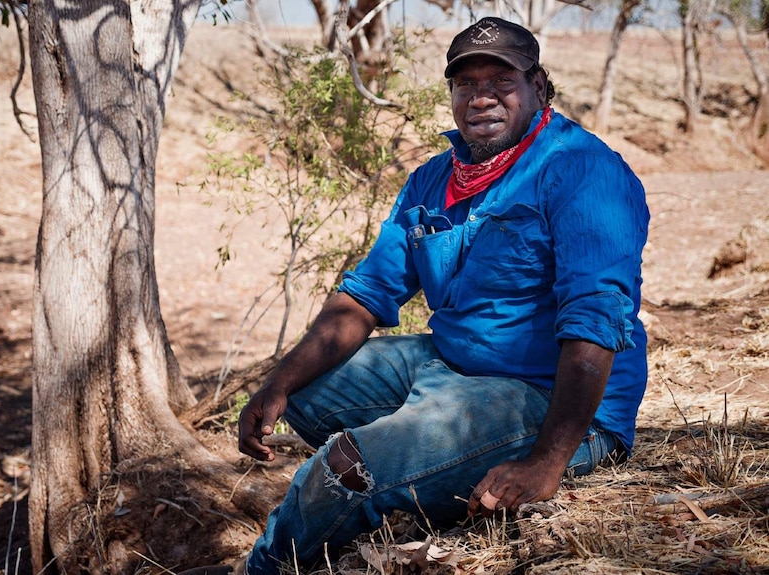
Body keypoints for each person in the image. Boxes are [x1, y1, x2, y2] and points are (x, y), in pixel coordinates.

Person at [238, 16, 649, 575]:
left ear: (540, 87)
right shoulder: (435, 179)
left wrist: (546, 465)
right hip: (448, 367)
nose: (482, 97)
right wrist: (278, 384)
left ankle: (265, 567)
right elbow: (366, 294)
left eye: (501, 82)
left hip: (544, 394)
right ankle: (411, 481)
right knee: (304, 395)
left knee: (340, 465)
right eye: (466, 84)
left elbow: (594, 323)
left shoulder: (584, 173)